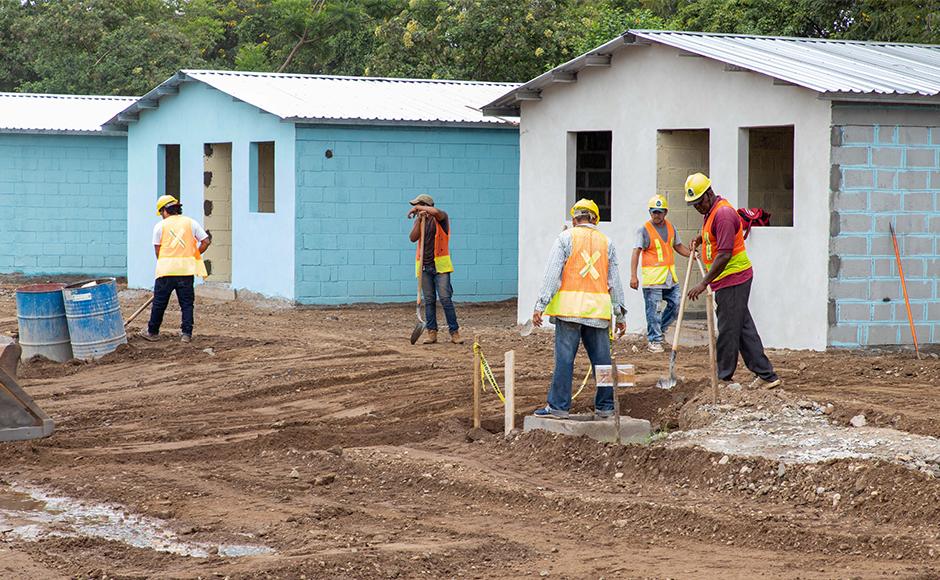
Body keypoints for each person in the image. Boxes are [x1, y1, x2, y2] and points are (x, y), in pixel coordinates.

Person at [684, 173, 781, 389]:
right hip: (728, 280)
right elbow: (715, 236)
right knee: (743, 329)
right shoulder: (711, 212)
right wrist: (701, 238)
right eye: (694, 205)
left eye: (698, 203)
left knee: (728, 329)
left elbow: (725, 254)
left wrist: (703, 283)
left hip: (733, 278)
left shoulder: (724, 214)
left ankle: (724, 377)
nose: (697, 208)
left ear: (708, 194)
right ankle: (766, 375)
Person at [531, 199, 627, 418]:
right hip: (598, 313)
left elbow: (551, 274)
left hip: (569, 311)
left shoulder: (565, 238)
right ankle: (606, 407)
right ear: (595, 219)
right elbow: (615, 282)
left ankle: (558, 407)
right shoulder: (607, 242)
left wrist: (540, 306)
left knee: (565, 360)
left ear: (575, 219)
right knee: (602, 361)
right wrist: (619, 314)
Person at [138, 195, 210, 344]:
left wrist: (167, 263)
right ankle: (186, 334)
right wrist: (194, 254)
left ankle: (152, 332)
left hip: (165, 271)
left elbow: (158, 251)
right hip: (186, 271)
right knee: (187, 304)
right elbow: (206, 241)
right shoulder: (191, 223)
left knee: (159, 303)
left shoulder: (160, 226)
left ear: (164, 210)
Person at [630, 194, 691, 353]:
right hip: (653, 279)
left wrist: (691, 253)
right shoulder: (644, 230)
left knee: (676, 304)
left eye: (660, 212)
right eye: (654, 212)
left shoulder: (671, 227)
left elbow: (678, 246)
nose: (657, 215)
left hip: (670, 277)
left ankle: (657, 332)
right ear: (650, 212)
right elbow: (636, 252)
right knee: (654, 310)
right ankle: (654, 340)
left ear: (665, 212)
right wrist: (633, 276)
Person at [407, 194, 463, 345]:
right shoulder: (421, 221)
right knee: (429, 300)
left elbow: (437, 213)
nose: (416, 209)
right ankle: (432, 333)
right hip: (424, 267)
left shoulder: (441, 219)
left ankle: (454, 332)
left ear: (426, 205)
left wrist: (418, 208)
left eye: (419, 205)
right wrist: (419, 220)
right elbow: (413, 238)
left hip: (441, 267)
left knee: (445, 299)